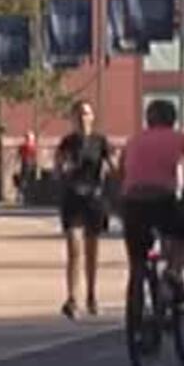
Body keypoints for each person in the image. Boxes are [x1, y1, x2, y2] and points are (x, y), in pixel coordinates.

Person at [117, 100, 184, 306]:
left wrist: (118, 204)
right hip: (162, 200)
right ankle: (173, 271)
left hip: (132, 203)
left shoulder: (133, 140)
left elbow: (120, 173)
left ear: (148, 120)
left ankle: (136, 314)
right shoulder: (180, 139)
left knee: (137, 261)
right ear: (174, 119)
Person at [55, 102, 110, 319]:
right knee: (74, 250)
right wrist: (63, 168)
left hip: (94, 199)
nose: (82, 118)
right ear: (72, 118)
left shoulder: (100, 141)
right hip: (73, 198)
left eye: (86, 113)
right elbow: (58, 170)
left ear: (93, 117)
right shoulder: (67, 143)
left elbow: (112, 165)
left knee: (92, 252)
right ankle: (72, 299)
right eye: (78, 114)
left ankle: (92, 296)